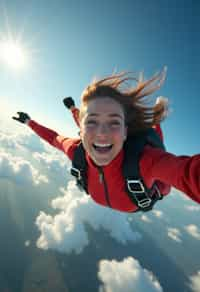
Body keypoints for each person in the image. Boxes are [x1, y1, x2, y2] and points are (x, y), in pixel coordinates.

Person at [12, 69, 200, 213]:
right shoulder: (77, 150)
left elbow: (186, 172)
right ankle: (82, 114)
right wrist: (30, 122)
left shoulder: (147, 160)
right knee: (92, 130)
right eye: (92, 122)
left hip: (146, 193)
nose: (102, 133)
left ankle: (157, 118)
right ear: (81, 128)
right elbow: (55, 138)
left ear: (125, 131)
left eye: (114, 122)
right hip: (87, 132)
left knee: (154, 141)